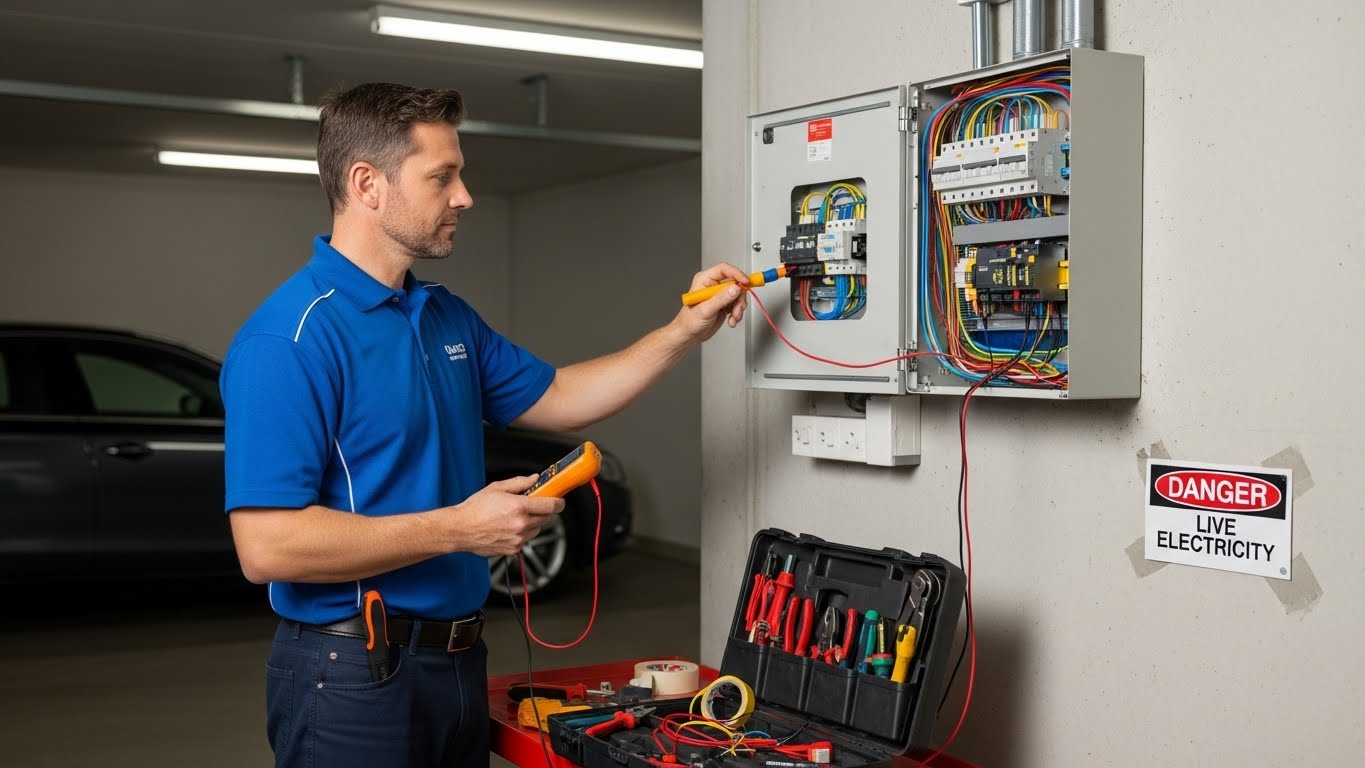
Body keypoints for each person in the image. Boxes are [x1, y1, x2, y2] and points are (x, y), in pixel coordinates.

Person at [220, 82, 747, 768]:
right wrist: (459, 529)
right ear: (366, 184)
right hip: (350, 670)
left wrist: (683, 330)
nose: (464, 195)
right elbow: (266, 547)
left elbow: (559, 395)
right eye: (442, 176)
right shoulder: (289, 339)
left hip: (459, 662)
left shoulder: (444, 316)